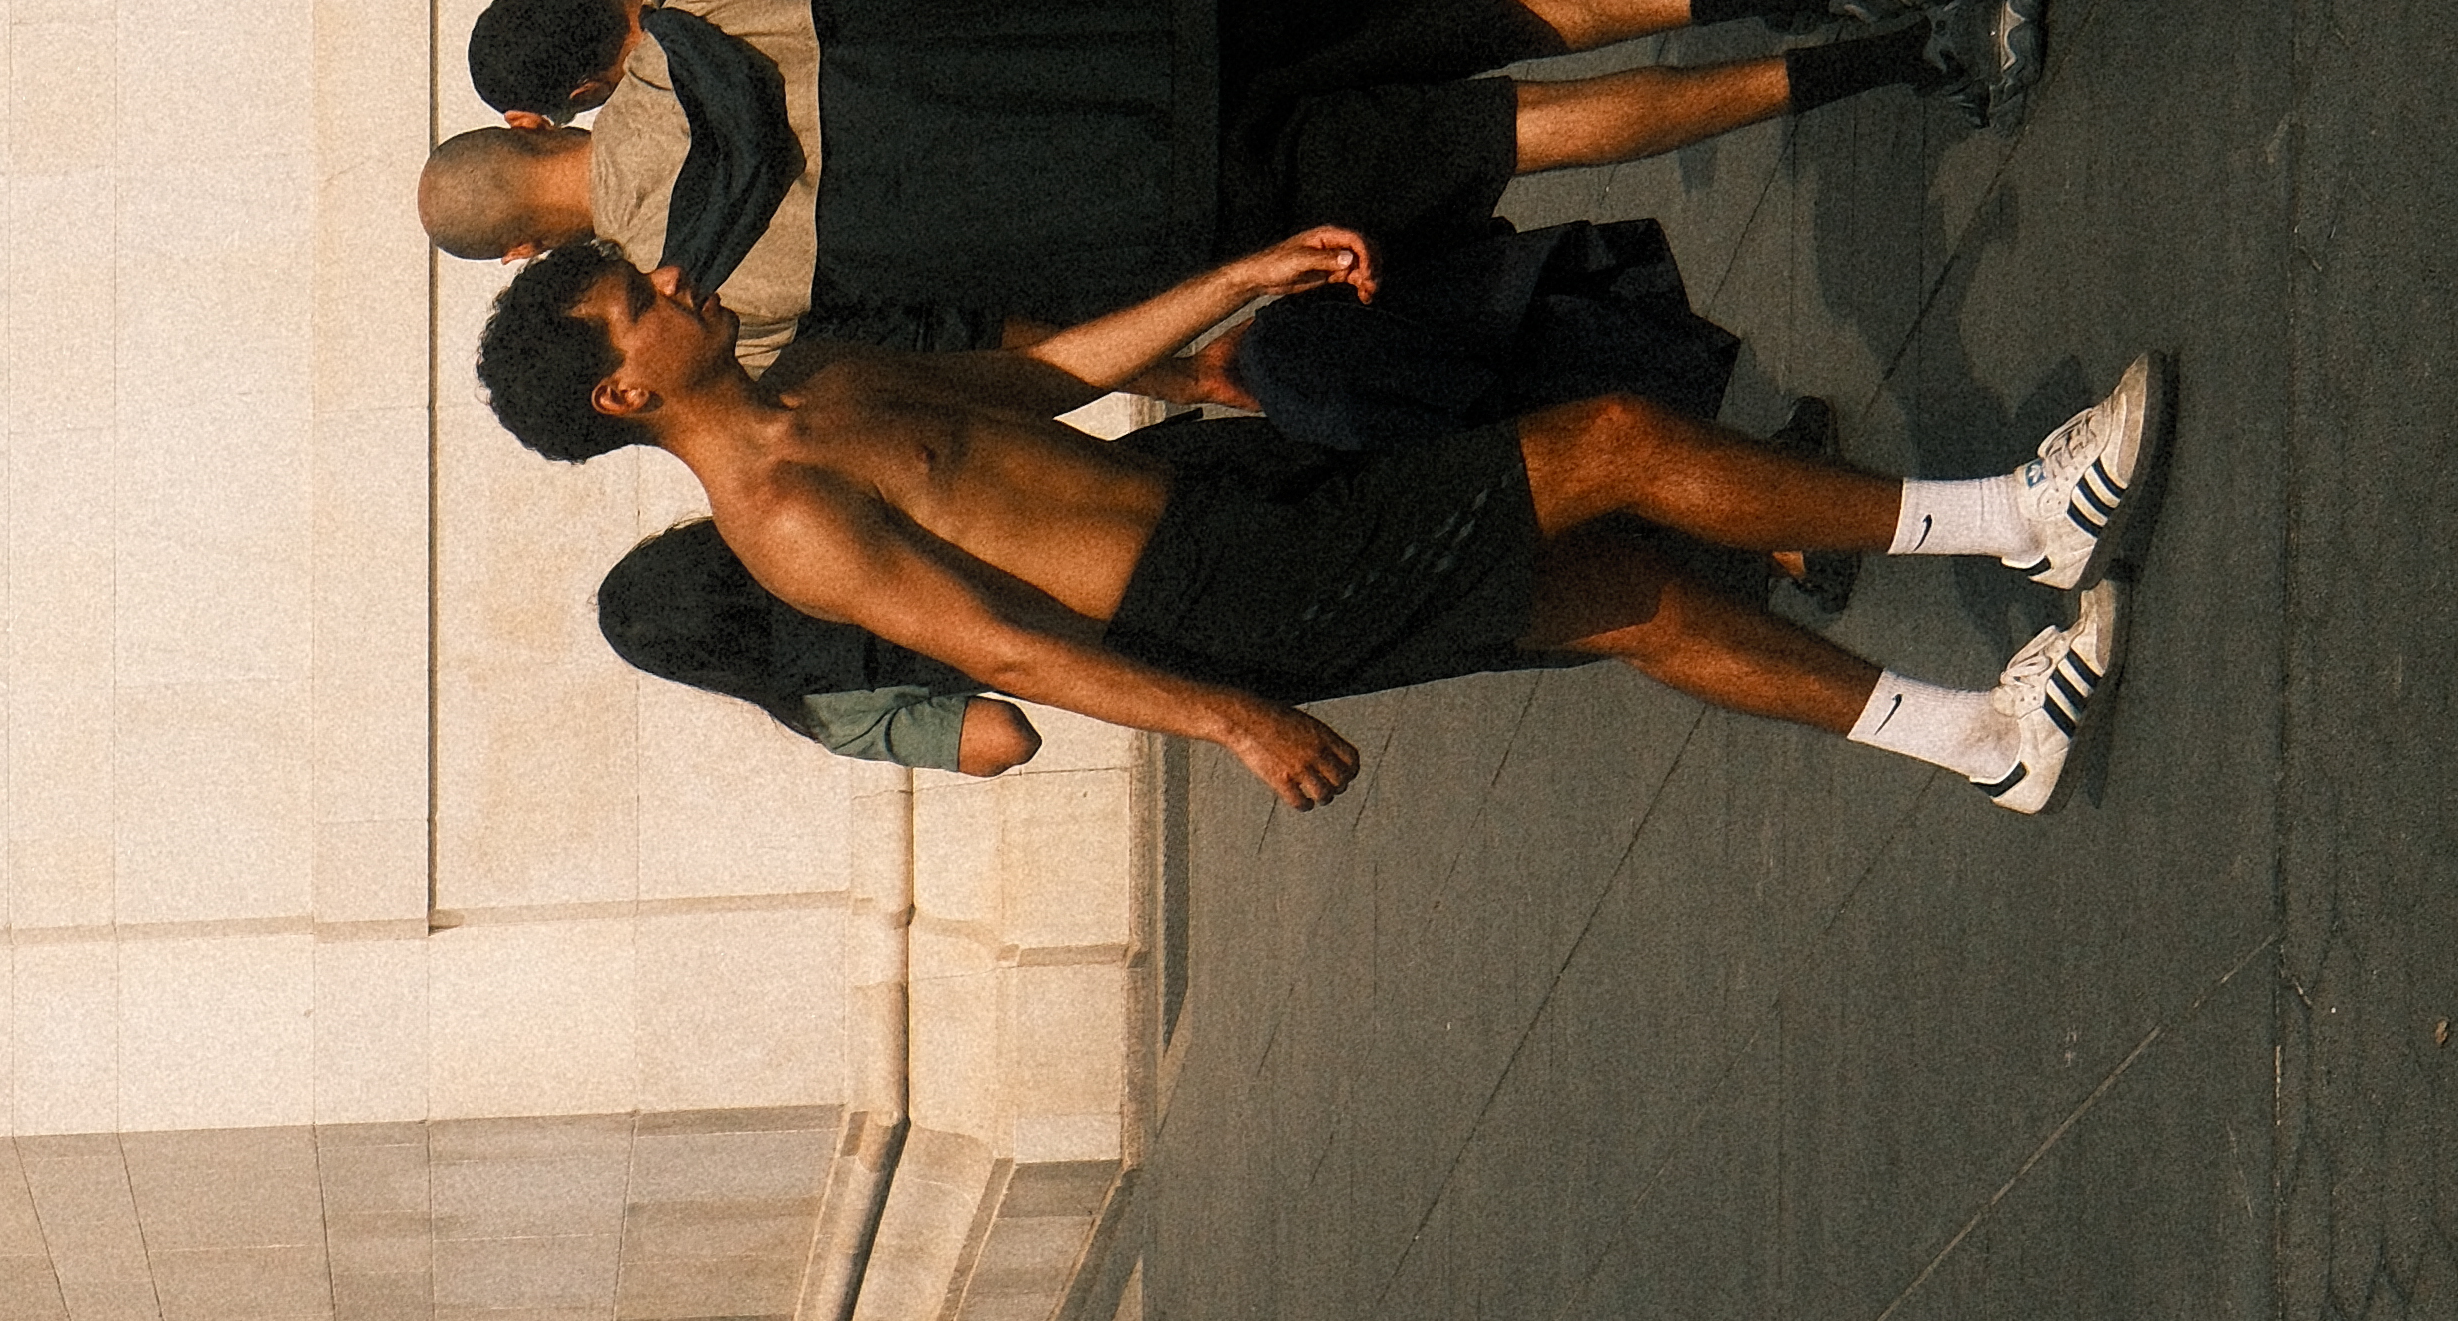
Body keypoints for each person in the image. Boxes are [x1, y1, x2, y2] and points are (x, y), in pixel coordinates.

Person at [493, 230, 2165, 813]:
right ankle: (2016, 516)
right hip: (1234, 601)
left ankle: (1980, 740)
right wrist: (1229, 717)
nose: (672, 281)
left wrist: (1240, 280)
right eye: (637, 302)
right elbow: (1007, 651)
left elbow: (1052, 382)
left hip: (1217, 510)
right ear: (623, 398)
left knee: (1631, 598)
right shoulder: (780, 517)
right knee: (1604, 444)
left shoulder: (828, 379)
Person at [438, 0, 2020, 374]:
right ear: (531, 125)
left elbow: (960, 342)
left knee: (1516, 136)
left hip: (1175, 200)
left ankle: (1912, 53)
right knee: (1491, 6)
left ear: (525, 249)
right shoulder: (699, 28)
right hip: (1161, 34)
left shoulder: (716, 301)